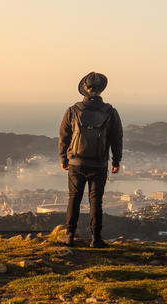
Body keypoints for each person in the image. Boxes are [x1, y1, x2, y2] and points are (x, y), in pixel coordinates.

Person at [57, 72, 122, 248]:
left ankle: (69, 236)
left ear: (83, 90)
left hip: (76, 163)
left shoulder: (73, 110)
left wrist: (64, 158)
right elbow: (117, 139)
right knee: (96, 201)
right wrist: (116, 161)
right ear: (101, 90)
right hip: (99, 164)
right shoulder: (110, 112)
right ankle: (96, 239)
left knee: (74, 198)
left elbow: (64, 136)